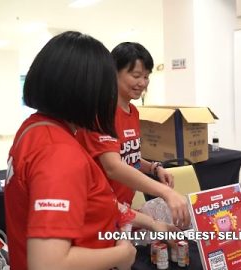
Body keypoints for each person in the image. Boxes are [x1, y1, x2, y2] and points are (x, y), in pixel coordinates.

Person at [4, 31, 136, 270]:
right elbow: (48, 263)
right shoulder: (59, 153)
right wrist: (122, 254)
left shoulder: (34, 128)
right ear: (88, 90)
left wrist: (145, 221)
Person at [75, 42, 190, 228]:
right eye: (136, 75)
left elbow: (128, 157)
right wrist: (165, 192)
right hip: (99, 212)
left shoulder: (133, 111)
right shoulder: (101, 112)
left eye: (146, 76)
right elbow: (113, 166)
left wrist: (154, 168)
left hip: (123, 210)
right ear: (113, 73)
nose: (142, 83)